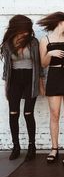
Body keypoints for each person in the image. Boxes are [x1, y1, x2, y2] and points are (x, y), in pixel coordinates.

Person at [0, 15, 44, 161]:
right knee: (13, 114)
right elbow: (7, 67)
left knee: (27, 113)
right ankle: (16, 147)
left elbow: (39, 65)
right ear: (17, 28)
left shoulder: (33, 42)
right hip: (14, 81)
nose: (26, 32)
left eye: (27, 29)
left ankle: (32, 147)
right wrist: (7, 87)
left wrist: (41, 83)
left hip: (30, 79)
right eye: (24, 29)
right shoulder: (7, 43)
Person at [38, 12, 64, 165]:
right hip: (54, 75)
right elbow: (43, 64)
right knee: (54, 114)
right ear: (60, 22)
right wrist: (50, 53)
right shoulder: (45, 40)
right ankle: (54, 148)